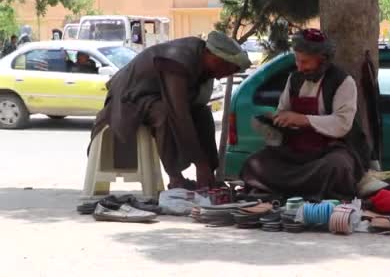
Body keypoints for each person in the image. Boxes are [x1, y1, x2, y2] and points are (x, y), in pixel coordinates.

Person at [88, 32, 251, 190]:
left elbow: (193, 106)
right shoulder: (178, 60)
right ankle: (175, 178)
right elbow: (178, 113)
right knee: (164, 114)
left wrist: (205, 164)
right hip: (129, 99)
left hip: (154, 97)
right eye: (226, 68)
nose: (224, 75)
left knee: (203, 114)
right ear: (212, 55)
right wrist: (199, 163)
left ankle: (209, 175)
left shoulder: (201, 60)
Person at [240, 28, 370, 200]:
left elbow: (342, 124)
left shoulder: (343, 82)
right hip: (295, 151)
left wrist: (303, 119)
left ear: (322, 60)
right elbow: (283, 110)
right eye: (297, 60)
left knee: (338, 168)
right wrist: (278, 118)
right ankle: (298, 193)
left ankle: (293, 193)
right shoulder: (294, 79)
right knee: (254, 163)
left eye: (305, 62)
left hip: (328, 150)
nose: (299, 67)